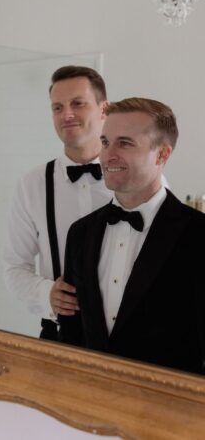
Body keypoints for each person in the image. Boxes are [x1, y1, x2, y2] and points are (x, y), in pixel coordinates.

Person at [59, 97, 205, 375]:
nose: (107, 154)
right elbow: (72, 333)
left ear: (162, 155)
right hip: (90, 400)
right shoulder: (80, 233)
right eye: (105, 142)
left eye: (124, 143)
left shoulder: (198, 235)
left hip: (171, 406)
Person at [3, 65, 112, 339]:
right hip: (60, 335)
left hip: (126, 338)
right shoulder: (32, 184)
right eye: (57, 107)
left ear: (103, 110)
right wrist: (46, 294)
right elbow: (14, 266)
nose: (67, 115)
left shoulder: (135, 177)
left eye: (78, 103)